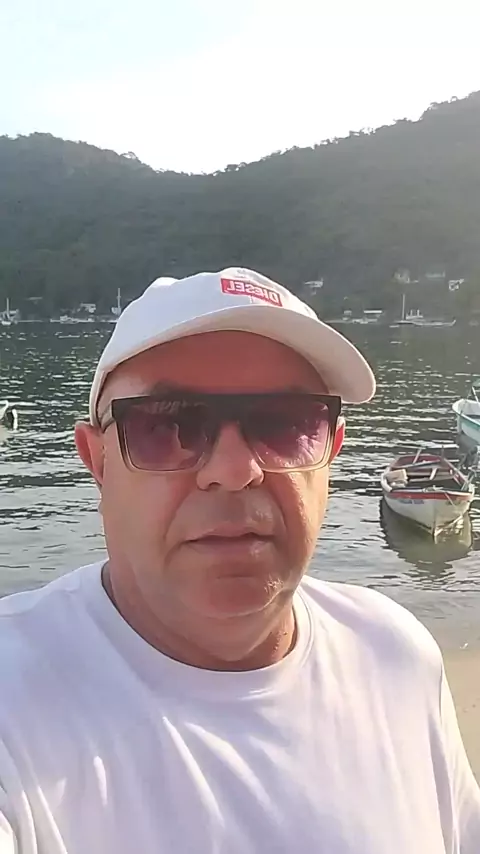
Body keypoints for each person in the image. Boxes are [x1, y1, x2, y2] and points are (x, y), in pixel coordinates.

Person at [0, 267, 478, 854]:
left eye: (285, 423)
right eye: (168, 426)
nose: (233, 471)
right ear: (98, 462)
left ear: (330, 451)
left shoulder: (395, 656)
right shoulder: (14, 699)